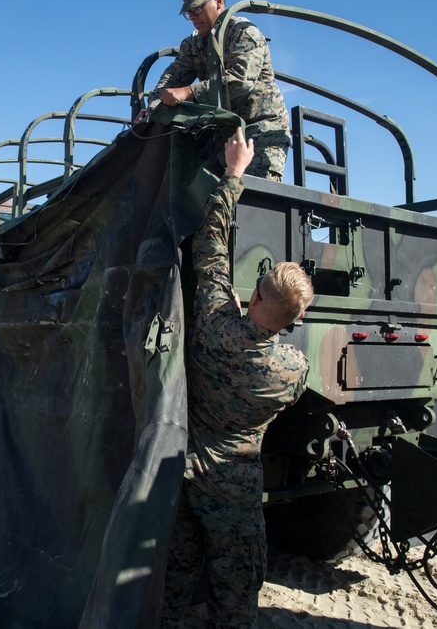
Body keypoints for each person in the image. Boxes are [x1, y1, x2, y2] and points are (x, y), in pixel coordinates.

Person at [160, 128, 314, 628]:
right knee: (236, 594)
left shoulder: (211, 322)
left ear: (252, 297)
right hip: (234, 488)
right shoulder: (291, 370)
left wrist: (233, 174)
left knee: (174, 584)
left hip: (185, 473)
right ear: (292, 324)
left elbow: (209, 248)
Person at [145, 0, 291, 181]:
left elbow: (240, 81)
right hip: (223, 134)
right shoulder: (194, 44)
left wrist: (189, 92)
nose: (193, 17)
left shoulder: (243, 33)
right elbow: (173, 77)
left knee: (252, 203)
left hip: (260, 132)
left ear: (219, 1)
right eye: (189, 13)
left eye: (197, 9)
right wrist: (153, 108)